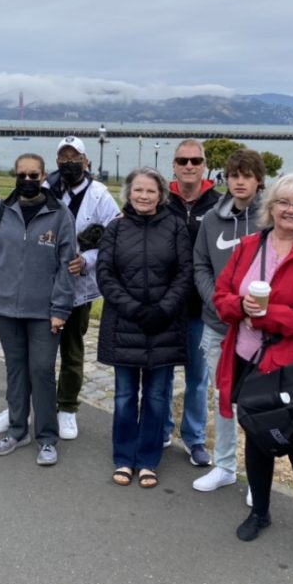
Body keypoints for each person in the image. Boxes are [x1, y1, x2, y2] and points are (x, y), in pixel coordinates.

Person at [213, 173, 293, 577]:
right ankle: (261, 512)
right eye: (284, 202)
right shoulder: (250, 246)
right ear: (271, 207)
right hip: (249, 361)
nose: (291, 210)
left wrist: (267, 315)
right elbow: (222, 297)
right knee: (257, 443)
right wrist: (240, 307)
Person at [0, 153, 76, 466]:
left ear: (43, 176)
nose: (28, 180)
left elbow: (68, 267)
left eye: (34, 175)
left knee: (41, 370)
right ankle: (16, 429)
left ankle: (47, 437)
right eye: (22, 175)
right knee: (15, 370)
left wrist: (60, 310)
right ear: (15, 175)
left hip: (44, 311)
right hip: (4, 307)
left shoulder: (59, 214)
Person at [96, 167, 193, 489]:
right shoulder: (115, 229)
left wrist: (164, 308)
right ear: (128, 193)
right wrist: (134, 308)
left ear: (161, 194)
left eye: (150, 191)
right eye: (138, 190)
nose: (143, 196)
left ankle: (148, 460)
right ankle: (124, 457)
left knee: (156, 395)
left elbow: (185, 273)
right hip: (125, 323)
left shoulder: (176, 227)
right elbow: (106, 275)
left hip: (163, 324)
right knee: (125, 395)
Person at [192, 149, 265, 494]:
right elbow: (201, 266)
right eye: (234, 175)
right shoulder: (211, 220)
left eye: (247, 175)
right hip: (218, 324)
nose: (239, 181)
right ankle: (224, 465)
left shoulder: (270, 219)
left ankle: (257, 474)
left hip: (259, 330)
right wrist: (219, 303)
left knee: (256, 402)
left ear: (259, 181)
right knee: (223, 398)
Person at [161, 139, 221, 467]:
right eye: (182, 160)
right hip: (166, 306)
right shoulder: (161, 200)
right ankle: (161, 431)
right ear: (174, 164)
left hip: (201, 309)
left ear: (204, 164)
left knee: (198, 378)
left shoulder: (219, 205)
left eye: (195, 160)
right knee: (162, 374)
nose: (189, 166)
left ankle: (194, 438)